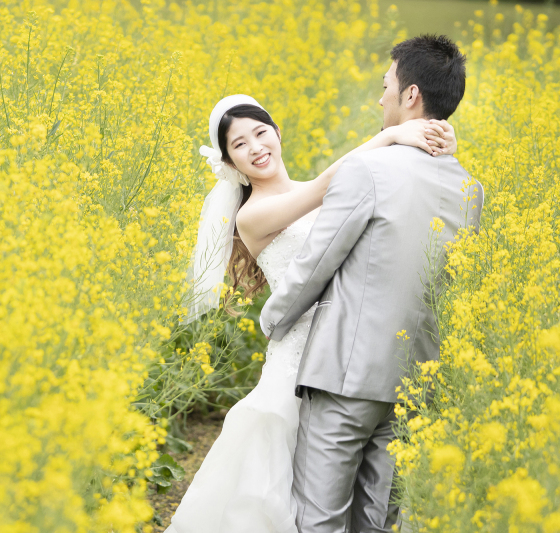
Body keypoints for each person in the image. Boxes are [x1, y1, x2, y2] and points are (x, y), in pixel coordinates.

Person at [168, 88, 456, 532]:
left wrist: (433, 146)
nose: (255, 148)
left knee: (360, 488)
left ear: (278, 132)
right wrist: (396, 133)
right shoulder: (253, 216)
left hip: (347, 348)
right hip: (295, 362)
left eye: (260, 133)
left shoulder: (316, 190)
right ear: (230, 164)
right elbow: (328, 185)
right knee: (289, 496)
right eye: (239, 145)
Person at [259, 35, 484, 532]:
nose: (379, 96)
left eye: (385, 85)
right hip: (416, 382)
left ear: (411, 95)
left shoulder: (368, 168)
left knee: (321, 518)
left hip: (346, 375)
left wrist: (273, 320)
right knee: (380, 521)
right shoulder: (470, 188)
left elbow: (317, 261)